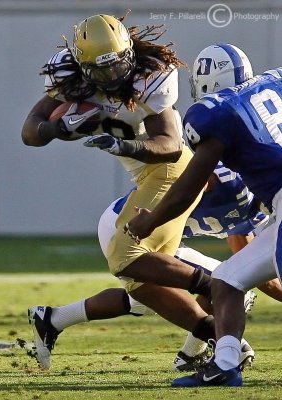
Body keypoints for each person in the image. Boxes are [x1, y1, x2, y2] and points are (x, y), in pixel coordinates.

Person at [22, 14, 216, 370]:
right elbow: (30, 132)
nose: (114, 77)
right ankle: (224, 339)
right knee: (141, 287)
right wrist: (57, 129)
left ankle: (215, 286)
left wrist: (123, 147)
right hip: (147, 178)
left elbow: (171, 145)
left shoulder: (149, 75)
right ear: (82, 66)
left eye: (117, 65)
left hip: (171, 170)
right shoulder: (70, 79)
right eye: (101, 70)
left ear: (129, 52)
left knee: (124, 256)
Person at [124, 43, 282, 387]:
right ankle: (225, 365)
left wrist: (150, 221)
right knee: (226, 279)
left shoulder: (215, 112)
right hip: (278, 211)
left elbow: (188, 186)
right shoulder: (275, 80)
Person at [27, 163, 265, 370]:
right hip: (134, 229)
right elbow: (251, 261)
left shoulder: (252, 196)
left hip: (143, 231)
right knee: (229, 286)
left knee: (147, 300)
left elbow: (249, 256)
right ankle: (196, 352)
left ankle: (53, 319)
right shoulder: (231, 178)